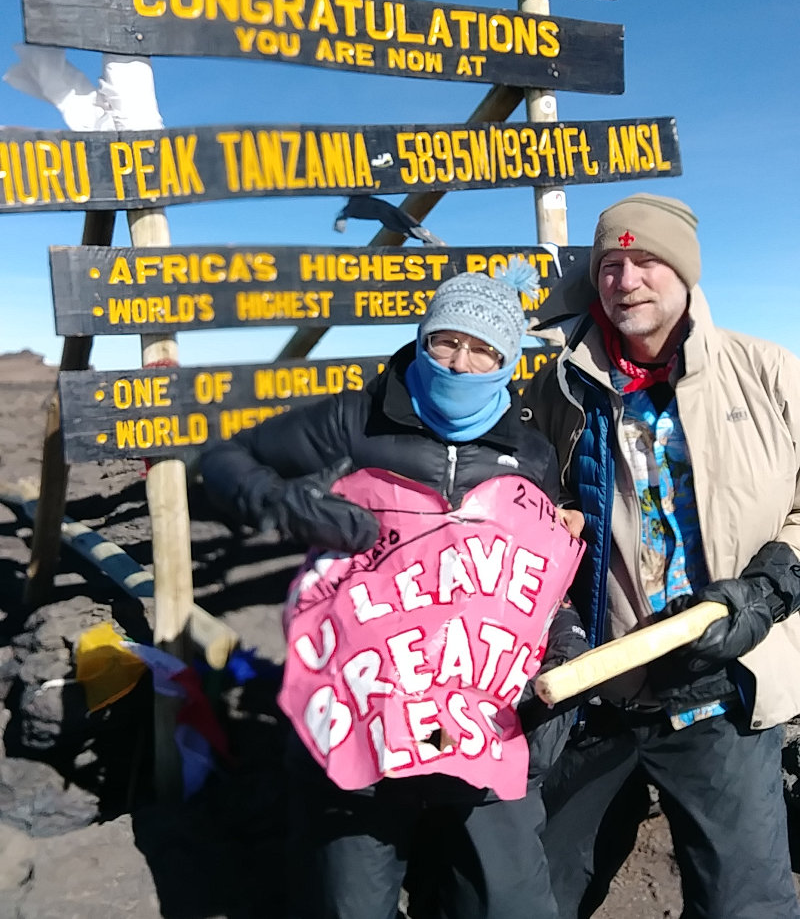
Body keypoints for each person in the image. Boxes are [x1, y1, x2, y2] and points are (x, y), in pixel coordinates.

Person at [199, 262, 587, 919]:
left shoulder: (529, 451)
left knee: (509, 901)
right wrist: (294, 509)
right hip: (365, 699)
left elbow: (537, 567)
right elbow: (225, 462)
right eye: (447, 340)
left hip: (478, 711)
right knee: (349, 903)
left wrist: (563, 631)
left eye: (483, 347)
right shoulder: (360, 419)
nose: (461, 362)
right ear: (424, 336)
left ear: (507, 357)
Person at [523, 192, 800, 919]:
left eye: (647, 260)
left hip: (725, 697)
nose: (626, 279)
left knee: (745, 906)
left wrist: (768, 589)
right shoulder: (559, 391)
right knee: (535, 896)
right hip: (596, 697)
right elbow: (525, 520)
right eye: (611, 264)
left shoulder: (769, 374)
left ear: (685, 273)